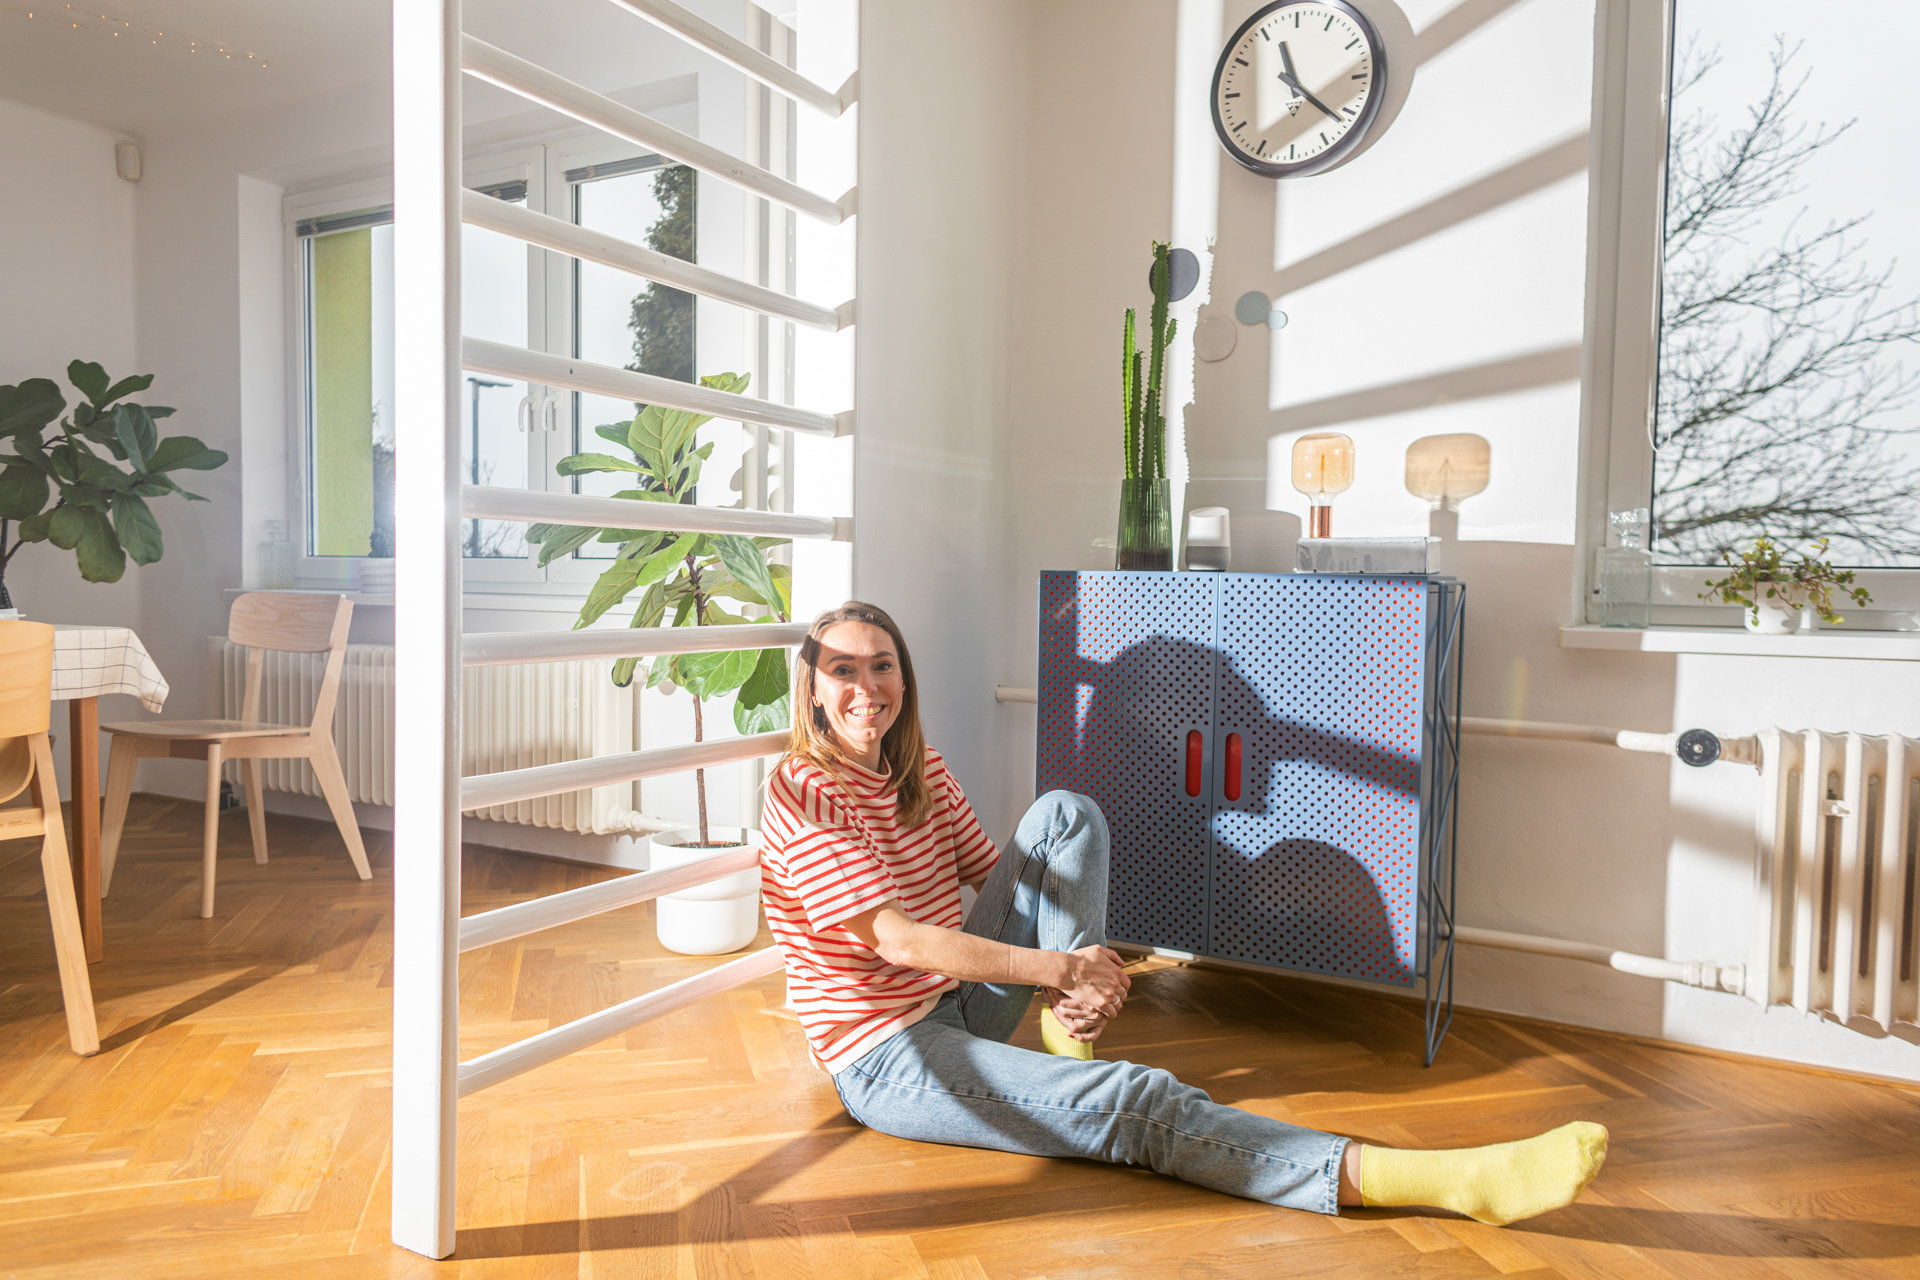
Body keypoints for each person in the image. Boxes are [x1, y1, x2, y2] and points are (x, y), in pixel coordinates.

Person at [758, 600, 1607, 1225]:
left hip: (958, 1006)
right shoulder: (802, 791)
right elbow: (904, 943)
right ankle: (1422, 1181)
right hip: (888, 1055)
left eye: (882, 665)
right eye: (843, 668)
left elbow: (1001, 878)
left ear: (904, 677)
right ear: (813, 686)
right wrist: (1061, 965)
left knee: (1066, 813)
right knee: (1136, 1103)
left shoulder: (923, 772)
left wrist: (1085, 965)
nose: (867, 686)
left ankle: (1072, 1027)